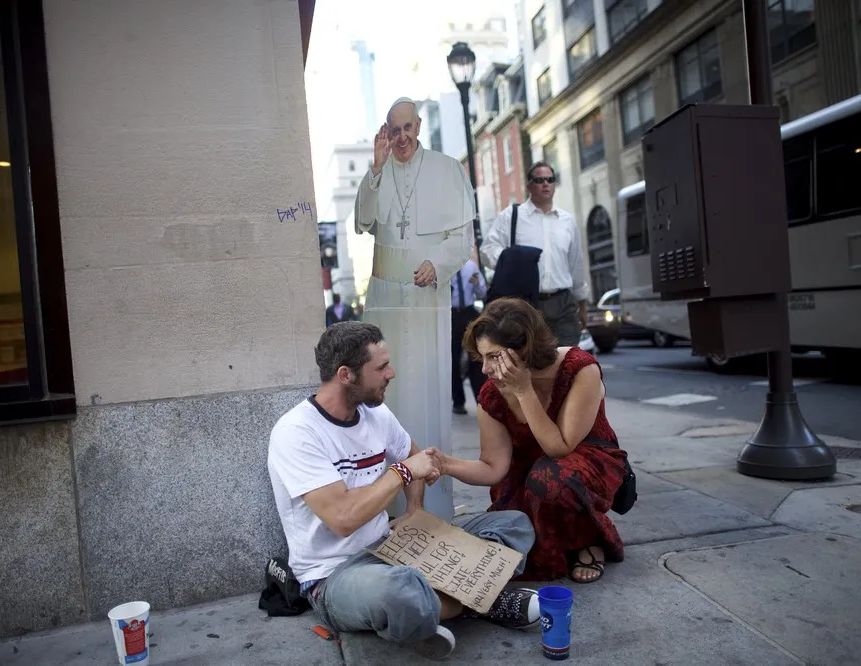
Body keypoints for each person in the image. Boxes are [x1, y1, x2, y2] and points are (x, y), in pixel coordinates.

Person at [267, 322, 539, 660]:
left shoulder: (376, 413)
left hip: (393, 546)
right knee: (399, 590)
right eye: (381, 367)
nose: (391, 373)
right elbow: (342, 518)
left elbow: (413, 455)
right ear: (345, 375)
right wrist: (403, 472)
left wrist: (414, 513)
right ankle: (477, 597)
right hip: (335, 574)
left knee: (514, 524)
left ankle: (443, 604)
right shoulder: (297, 432)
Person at [432, 298, 628, 583]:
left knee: (550, 477)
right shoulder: (491, 395)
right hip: (527, 473)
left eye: (494, 356)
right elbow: (493, 467)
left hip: (584, 462)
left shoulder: (579, 369)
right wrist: (445, 464)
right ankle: (557, 544)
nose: (484, 369)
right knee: (511, 534)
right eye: (481, 357)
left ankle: (588, 540)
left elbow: (560, 447)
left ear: (524, 349)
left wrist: (524, 391)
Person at [353, 96, 476, 521]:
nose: (401, 137)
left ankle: (433, 509)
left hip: (426, 301)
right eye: (393, 130)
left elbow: (461, 239)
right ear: (386, 133)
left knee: (425, 391)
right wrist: (374, 168)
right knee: (385, 394)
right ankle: (385, 508)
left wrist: (435, 264)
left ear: (419, 126)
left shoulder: (446, 169)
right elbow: (364, 222)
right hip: (385, 301)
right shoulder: (378, 171)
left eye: (408, 128)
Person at [480, 162, 590, 346]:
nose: (545, 184)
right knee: (532, 364)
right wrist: (513, 261)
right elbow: (487, 250)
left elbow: (576, 264)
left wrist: (582, 303)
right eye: (539, 180)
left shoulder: (567, 221)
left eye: (550, 179)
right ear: (529, 186)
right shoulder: (512, 216)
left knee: (567, 361)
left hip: (563, 303)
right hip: (526, 304)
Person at [450, 253, 487, 415]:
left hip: (469, 313)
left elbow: (482, 293)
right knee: (453, 359)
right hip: (451, 314)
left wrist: (478, 284)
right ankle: (458, 402)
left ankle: (481, 399)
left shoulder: (471, 266)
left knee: (476, 357)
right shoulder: (445, 268)